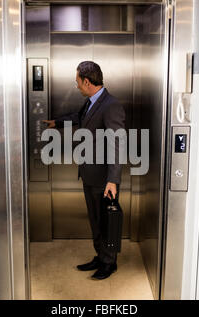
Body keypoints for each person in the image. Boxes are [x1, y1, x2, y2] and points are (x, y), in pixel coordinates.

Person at [43, 61, 126, 280]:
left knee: (105, 221)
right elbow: (79, 118)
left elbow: (119, 144)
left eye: (78, 82)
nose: (77, 86)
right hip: (89, 175)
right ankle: (101, 256)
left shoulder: (111, 105)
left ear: (87, 81)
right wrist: (56, 123)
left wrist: (113, 180)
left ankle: (109, 263)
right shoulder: (91, 103)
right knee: (95, 220)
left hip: (104, 178)